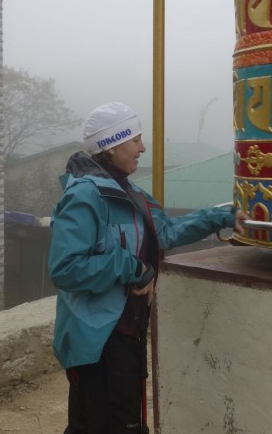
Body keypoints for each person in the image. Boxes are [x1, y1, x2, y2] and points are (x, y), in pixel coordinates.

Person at [48, 102, 247, 434]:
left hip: (127, 328)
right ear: (112, 146)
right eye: (135, 140)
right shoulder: (85, 196)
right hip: (96, 339)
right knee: (96, 424)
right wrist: (135, 268)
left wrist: (222, 217)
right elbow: (67, 267)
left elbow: (164, 232)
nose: (142, 148)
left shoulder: (131, 193)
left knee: (128, 419)